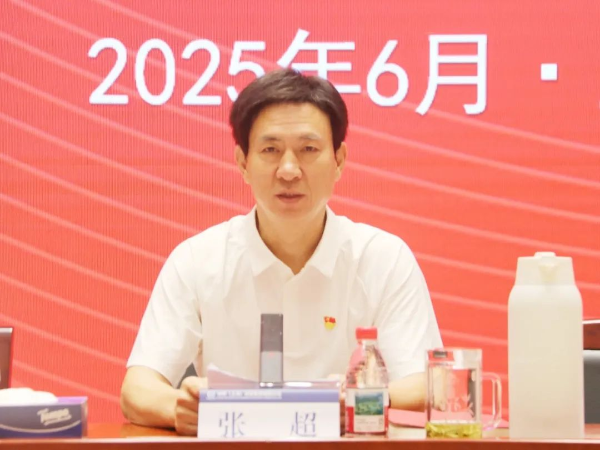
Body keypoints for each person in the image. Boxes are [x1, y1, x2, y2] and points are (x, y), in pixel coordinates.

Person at [120, 68, 442, 435]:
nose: (289, 170)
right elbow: (137, 390)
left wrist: (358, 401)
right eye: (270, 150)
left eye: (308, 149)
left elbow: (424, 386)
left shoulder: (383, 258)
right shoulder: (197, 260)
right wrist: (179, 408)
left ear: (339, 160)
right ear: (243, 162)